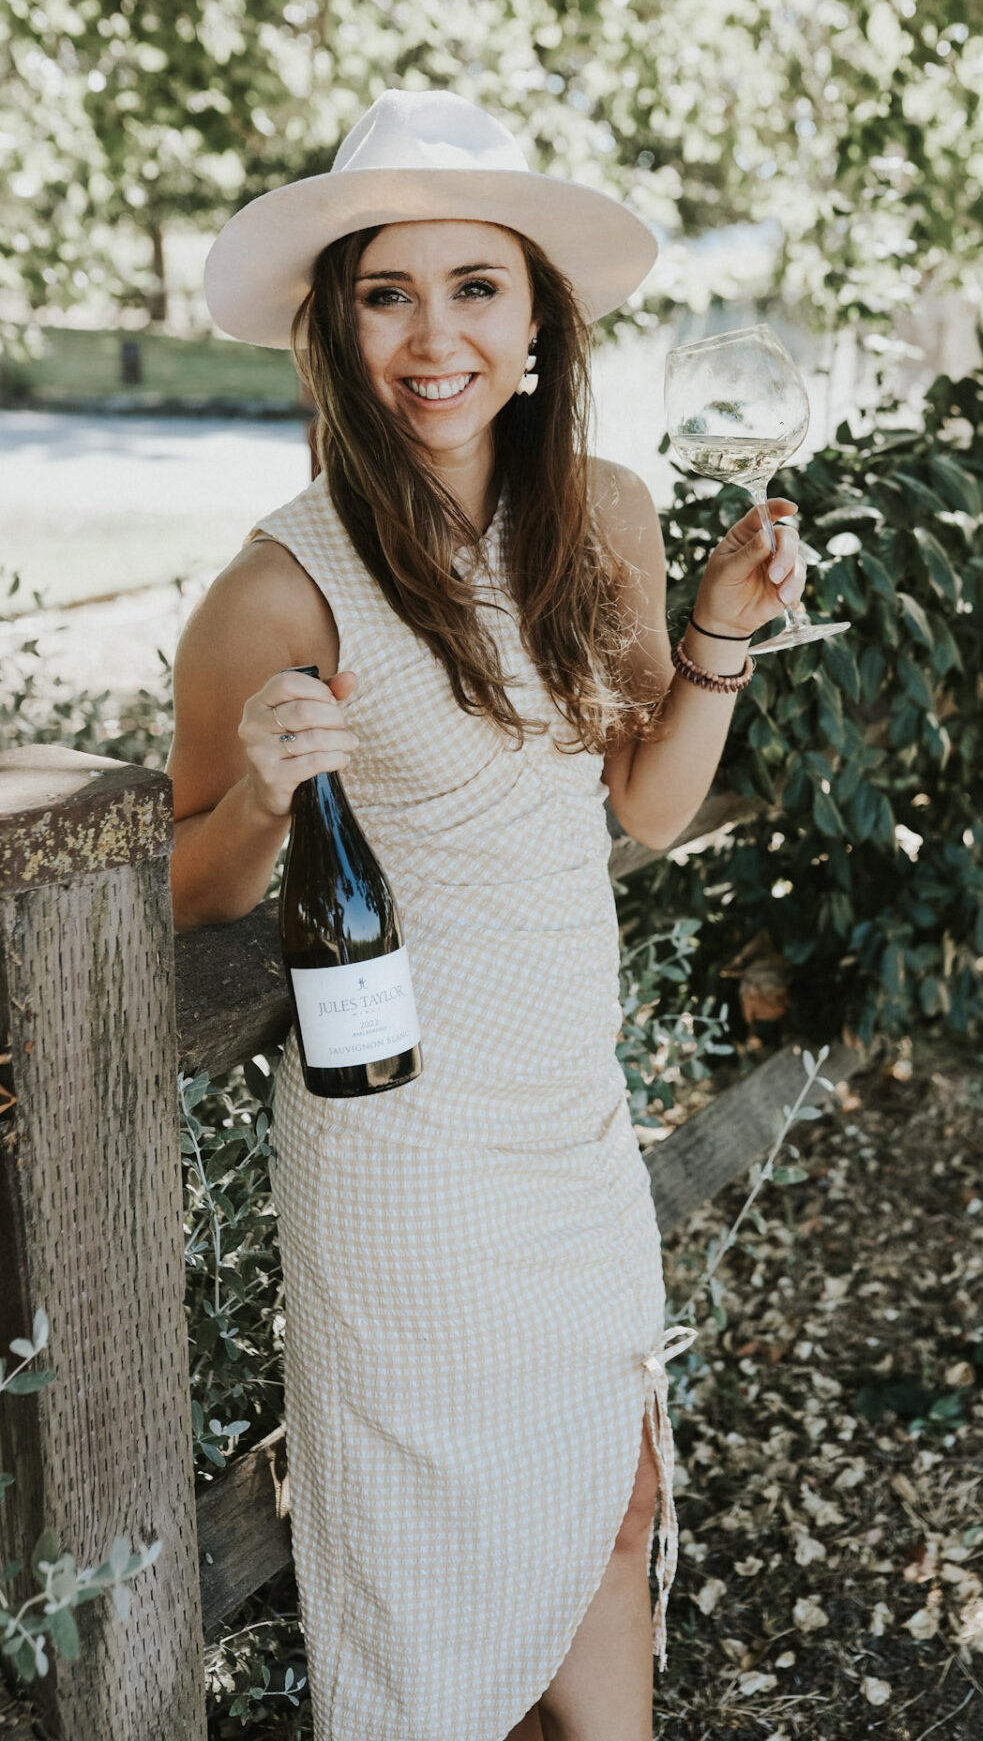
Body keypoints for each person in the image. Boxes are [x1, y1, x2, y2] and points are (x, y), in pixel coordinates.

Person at [169, 89, 805, 1741]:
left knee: (612, 1505)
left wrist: (722, 633)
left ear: (538, 317)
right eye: (388, 292)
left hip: (567, 1125)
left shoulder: (598, 511)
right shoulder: (277, 589)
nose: (431, 336)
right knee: (441, 1586)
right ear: (336, 325)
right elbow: (182, 895)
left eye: (474, 288)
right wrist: (253, 796)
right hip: (410, 1161)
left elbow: (645, 807)